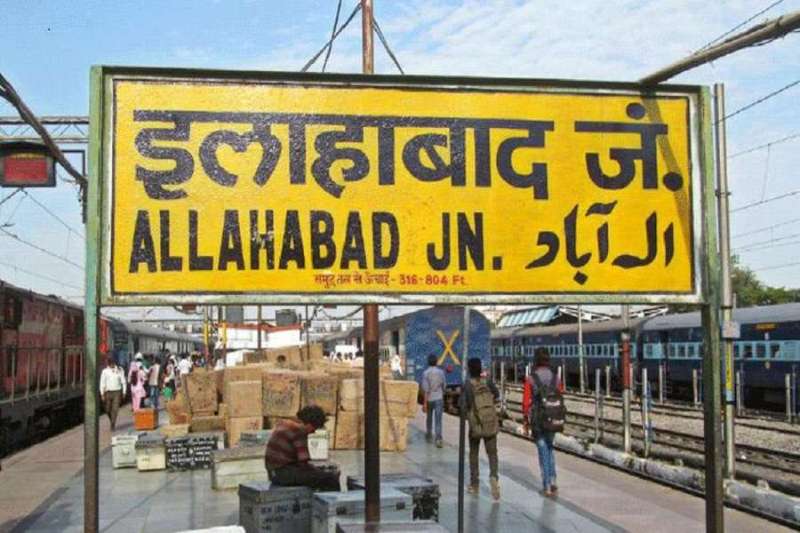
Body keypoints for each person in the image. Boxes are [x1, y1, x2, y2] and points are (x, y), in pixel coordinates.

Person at [265, 405, 340, 491]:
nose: (313, 432)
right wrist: (322, 472)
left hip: (273, 474)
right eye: (314, 428)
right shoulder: (299, 430)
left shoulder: (285, 424)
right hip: (283, 474)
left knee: (317, 475)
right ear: (310, 423)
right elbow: (303, 463)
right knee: (330, 478)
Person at [523, 347, 565, 497]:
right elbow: (560, 394)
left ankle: (546, 485)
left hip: (538, 420)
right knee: (550, 448)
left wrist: (526, 420)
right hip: (553, 418)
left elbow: (526, 402)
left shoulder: (531, 378)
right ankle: (553, 481)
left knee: (542, 450)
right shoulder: (556, 378)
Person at [463, 357, 500, 500]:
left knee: (474, 453)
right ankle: (494, 476)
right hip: (489, 422)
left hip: (476, 424)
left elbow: (464, 404)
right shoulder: (487, 381)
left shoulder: (468, 385)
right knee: (492, 453)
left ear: (469, 369)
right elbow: (496, 394)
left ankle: (474, 484)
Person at [421, 353, 446, 447]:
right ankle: (438, 439)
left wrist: (424, 404)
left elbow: (426, 390)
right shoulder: (441, 372)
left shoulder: (425, 373)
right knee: (438, 420)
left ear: (428, 362)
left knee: (429, 418)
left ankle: (429, 435)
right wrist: (442, 393)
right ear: (436, 362)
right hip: (439, 398)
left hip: (429, 399)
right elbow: (444, 385)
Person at [99, 358, 127, 430]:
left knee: (115, 409)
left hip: (117, 392)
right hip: (108, 392)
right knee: (107, 409)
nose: (111, 365)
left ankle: (112, 424)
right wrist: (102, 393)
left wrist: (124, 392)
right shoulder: (105, 371)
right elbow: (102, 382)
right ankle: (112, 419)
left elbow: (123, 382)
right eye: (110, 363)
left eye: (112, 363)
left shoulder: (120, 370)